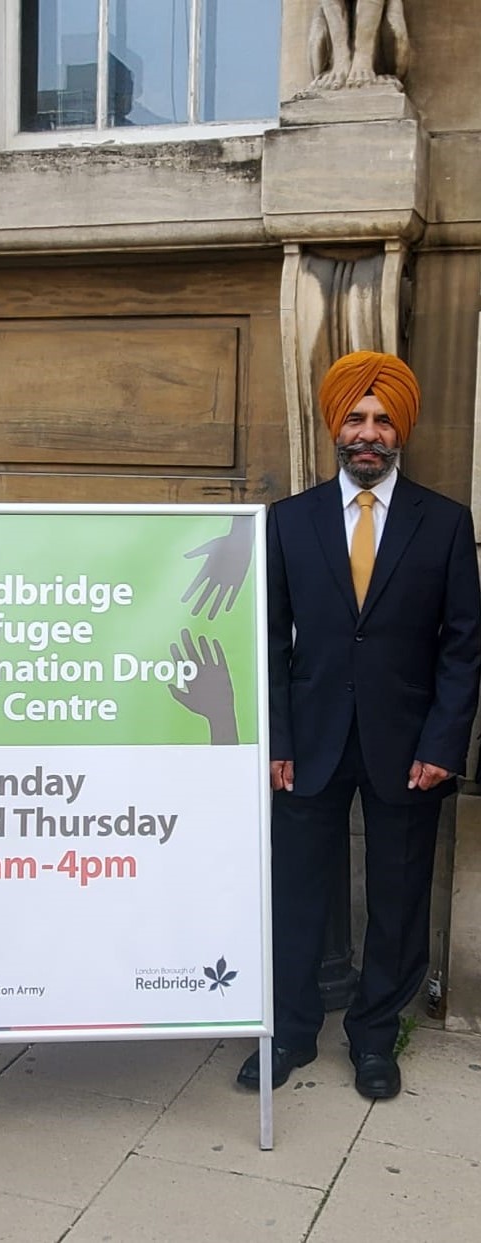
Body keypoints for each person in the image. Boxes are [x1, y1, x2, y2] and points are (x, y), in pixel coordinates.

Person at [237, 350, 481, 1100]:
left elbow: (463, 643)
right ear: (334, 427)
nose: (368, 432)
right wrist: (276, 739)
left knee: (399, 900)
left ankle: (375, 1037)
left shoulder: (443, 523)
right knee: (294, 894)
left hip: (407, 748)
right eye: (355, 417)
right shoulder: (288, 521)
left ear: (398, 428)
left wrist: (444, 742)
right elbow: (267, 641)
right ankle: (289, 1031)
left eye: (381, 419)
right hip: (306, 744)